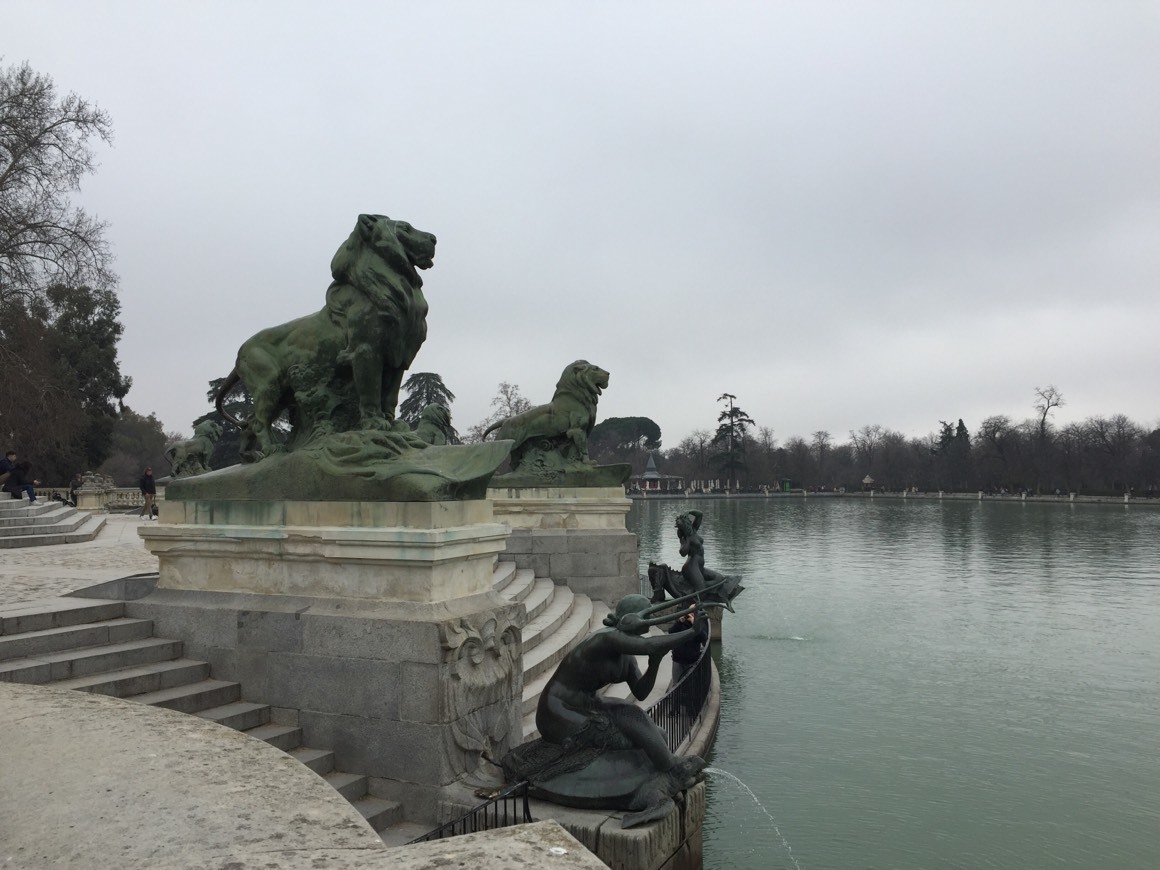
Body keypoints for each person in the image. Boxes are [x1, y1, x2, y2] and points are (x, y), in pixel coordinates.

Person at [535, 594, 707, 793]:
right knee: (625, 739)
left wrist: (655, 663)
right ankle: (669, 769)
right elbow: (650, 645)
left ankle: (664, 767)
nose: (650, 620)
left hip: (589, 704)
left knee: (651, 729)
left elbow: (641, 693)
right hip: (556, 710)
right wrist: (692, 632)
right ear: (628, 618)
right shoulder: (604, 638)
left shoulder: (627, 660)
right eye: (645, 614)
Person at [668, 603, 710, 685]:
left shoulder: (700, 623)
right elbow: (671, 632)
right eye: (689, 611)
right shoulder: (682, 622)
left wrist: (694, 624)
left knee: (690, 684)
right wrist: (679, 622)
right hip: (678, 658)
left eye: (693, 611)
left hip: (691, 660)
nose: (690, 613)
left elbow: (703, 637)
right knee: (676, 683)